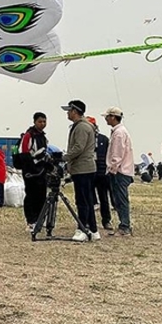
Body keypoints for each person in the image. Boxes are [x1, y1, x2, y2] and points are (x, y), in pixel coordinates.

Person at [61, 100, 99, 242]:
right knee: (87, 200)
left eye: (69, 111)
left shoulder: (82, 127)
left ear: (75, 111)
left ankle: (82, 229)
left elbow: (79, 147)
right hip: (84, 168)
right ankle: (93, 230)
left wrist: (64, 157)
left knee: (82, 201)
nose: (67, 113)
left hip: (82, 168)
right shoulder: (82, 125)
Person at [103, 107, 134, 236]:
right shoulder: (119, 131)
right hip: (122, 170)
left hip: (120, 171)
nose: (106, 119)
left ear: (113, 117)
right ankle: (124, 225)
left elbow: (117, 154)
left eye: (107, 117)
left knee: (121, 200)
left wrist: (112, 169)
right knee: (120, 199)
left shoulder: (118, 133)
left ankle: (124, 226)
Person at [18, 113, 49, 230]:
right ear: (34, 122)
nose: (42, 124)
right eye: (40, 121)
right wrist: (31, 168)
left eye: (44, 122)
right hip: (30, 171)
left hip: (41, 171)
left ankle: (40, 218)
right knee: (31, 196)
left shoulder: (43, 137)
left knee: (41, 195)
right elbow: (24, 153)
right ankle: (31, 221)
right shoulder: (28, 136)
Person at [91, 118, 113, 232]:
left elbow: (109, 154)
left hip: (102, 172)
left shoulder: (103, 139)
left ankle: (106, 220)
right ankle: (89, 221)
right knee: (89, 198)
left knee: (104, 198)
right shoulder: (84, 138)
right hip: (88, 172)